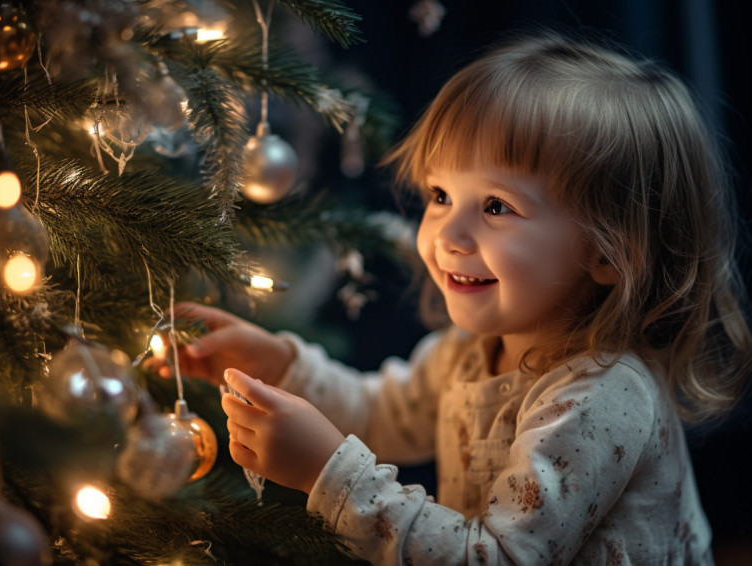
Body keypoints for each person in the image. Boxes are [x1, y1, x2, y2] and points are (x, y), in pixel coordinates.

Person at [163, 33, 752, 565]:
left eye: (496, 206)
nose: (447, 233)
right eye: (441, 194)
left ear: (607, 252)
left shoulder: (601, 396)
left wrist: (329, 473)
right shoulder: (470, 351)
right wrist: (279, 369)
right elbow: (381, 413)